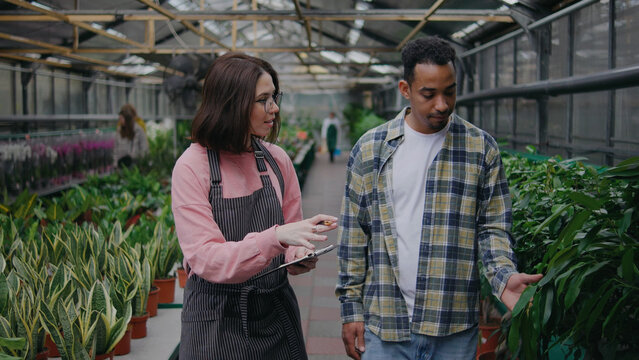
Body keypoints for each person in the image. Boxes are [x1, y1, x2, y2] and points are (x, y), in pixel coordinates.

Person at [335, 36, 543, 360]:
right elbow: (353, 234)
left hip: (453, 327)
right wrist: (351, 310)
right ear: (405, 89)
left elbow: (492, 229)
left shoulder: (480, 148)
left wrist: (504, 277)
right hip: (387, 324)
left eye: (450, 91)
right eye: (429, 94)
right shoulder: (371, 149)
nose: (442, 104)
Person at [171, 52, 338, 359]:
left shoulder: (277, 160)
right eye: (263, 99)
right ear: (231, 103)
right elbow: (207, 259)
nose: (274, 108)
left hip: (274, 312)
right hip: (215, 321)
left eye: (275, 97)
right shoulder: (192, 167)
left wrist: (298, 254)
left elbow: (290, 232)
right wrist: (275, 238)